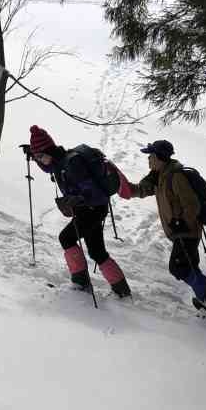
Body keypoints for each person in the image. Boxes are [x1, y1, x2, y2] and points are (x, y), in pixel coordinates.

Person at [25, 126, 132, 298]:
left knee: (66, 238)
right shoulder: (58, 162)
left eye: (40, 156)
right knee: (97, 251)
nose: (40, 160)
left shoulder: (71, 164)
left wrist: (77, 198)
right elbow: (47, 166)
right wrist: (33, 155)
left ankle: (81, 283)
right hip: (91, 210)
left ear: (49, 151)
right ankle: (122, 291)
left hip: (92, 209)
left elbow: (92, 191)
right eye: (37, 157)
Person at [124, 139, 206, 312]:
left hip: (187, 231)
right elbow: (140, 190)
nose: (148, 159)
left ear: (159, 157)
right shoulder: (159, 176)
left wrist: (182, 222)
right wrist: (120, 184)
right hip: (180, 231)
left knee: (178, 267)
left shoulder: (176, 176)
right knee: (188, 266)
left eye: (151, 156)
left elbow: (192, 204)